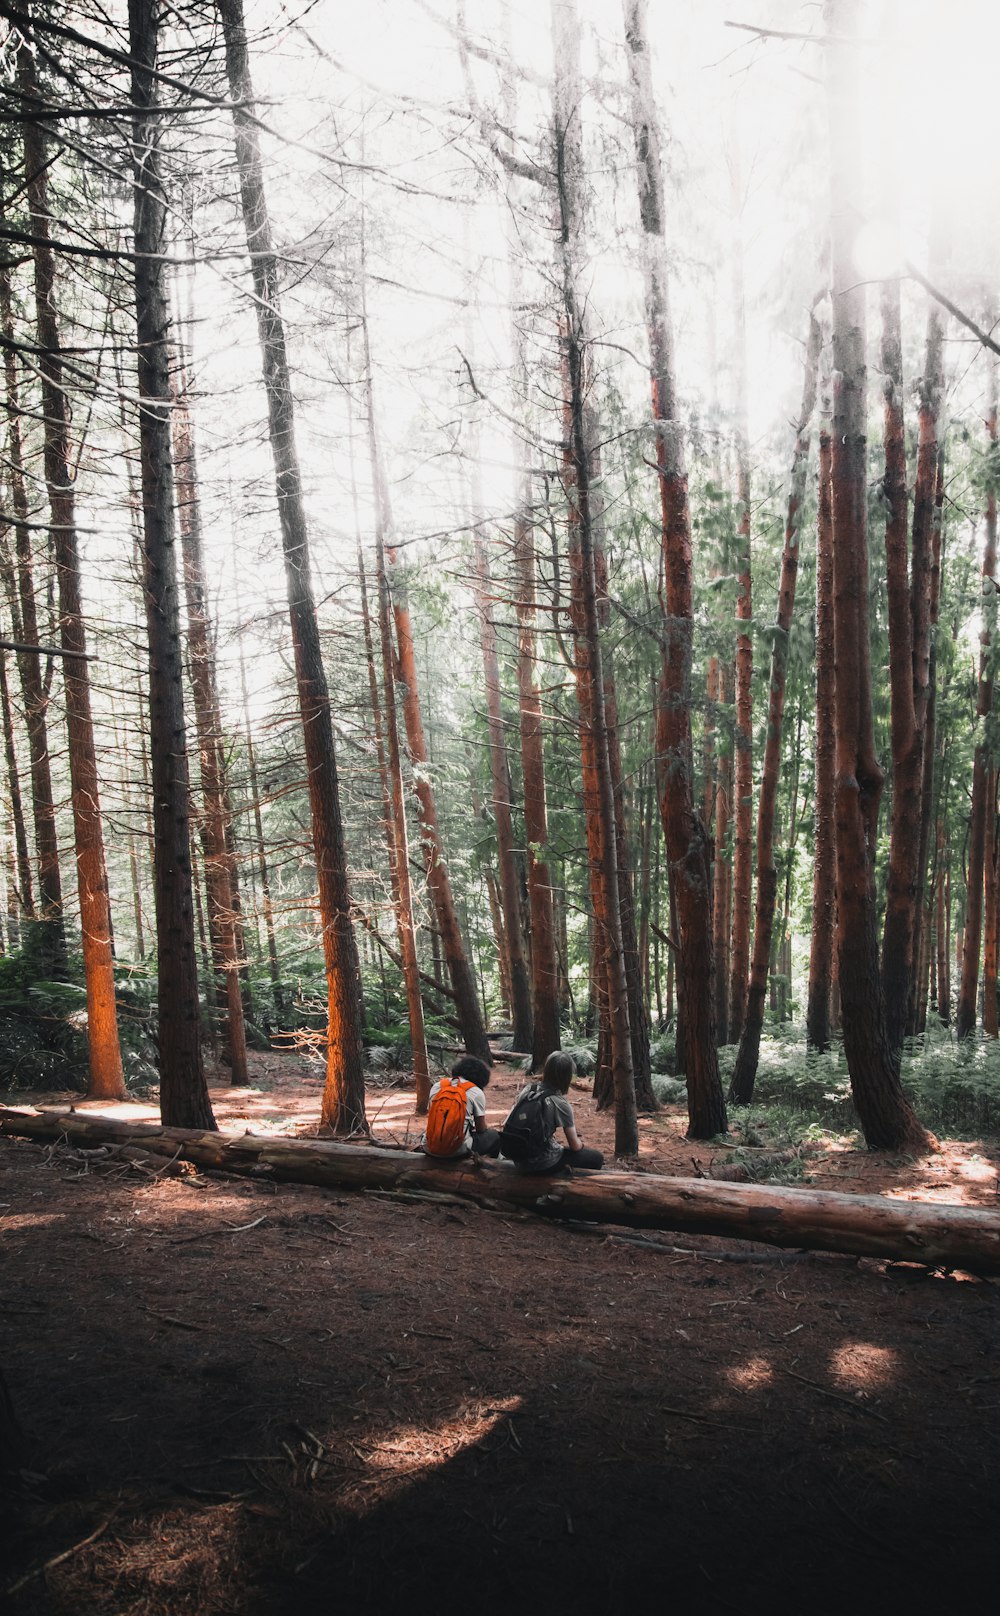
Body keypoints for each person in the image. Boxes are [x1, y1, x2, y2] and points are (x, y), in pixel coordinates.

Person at [501, 1049, 604, 1173]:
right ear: (568, 1076)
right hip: (542, 1163)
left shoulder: (529, 1089)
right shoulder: (560, 1103)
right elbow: (575, 1146)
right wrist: (582, 1145)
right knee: (596, 1158)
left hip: (518, 1158)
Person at [421, 1055, 500, 1160]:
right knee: (495, 1136)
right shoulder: (476, 1092)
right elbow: (481, 1129)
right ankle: (490, 1168)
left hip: (429, 1147)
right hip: (457, 1151)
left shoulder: (438, 1086)